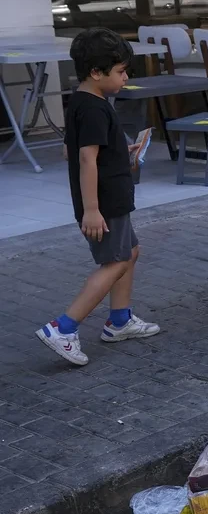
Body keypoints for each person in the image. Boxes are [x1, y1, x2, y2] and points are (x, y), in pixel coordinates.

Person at [38, 29, 159, 366]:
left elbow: (71, 150)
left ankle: (119, 320)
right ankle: (63, 327)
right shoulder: (93, 109)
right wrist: (92, 210)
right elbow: (85, 158)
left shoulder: (81, 102)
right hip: (104, 203)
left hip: (111, 197)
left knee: (130, 251)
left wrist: (122, 151)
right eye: (120, 71)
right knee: (117, 260)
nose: (125, 77)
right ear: (96, 72)